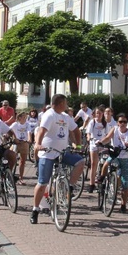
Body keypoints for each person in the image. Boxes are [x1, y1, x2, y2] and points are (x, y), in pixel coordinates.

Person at [30, 94, 84, 224]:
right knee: (42, 183)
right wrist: (38, 144)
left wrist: (78, 145)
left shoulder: (66, 117)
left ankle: (69, 186)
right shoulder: (49, 115)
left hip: (62, 152)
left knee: (80, 162)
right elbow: (41, 132)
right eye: (65, 103)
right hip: (48, 153)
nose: (66, 105)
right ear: (60, 104)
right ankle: (35, 209)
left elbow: (76, 131)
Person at [96, 112, 128, 213]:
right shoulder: (115, 129)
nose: (122, 124)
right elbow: (108, 138)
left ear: (127, 123)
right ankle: (102, 177)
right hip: (116, 154)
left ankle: (123, 205)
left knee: (125, 183)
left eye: (124, 122)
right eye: (120, 122)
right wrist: (101, 142)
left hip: (127, 158)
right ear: (117, 123)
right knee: (107, 162)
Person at [85, 108, 108, 193]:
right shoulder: (92, 122)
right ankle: (91, 184)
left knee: (103, 163)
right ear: (95, 114)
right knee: (93, 163)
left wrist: (104, 141)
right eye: (97, 113)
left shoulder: (105, 123)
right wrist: (89, 138)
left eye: (100, 113)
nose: (99, 115)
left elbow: (107, 134)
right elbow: (88, 132)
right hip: (93, 144)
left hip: (102, 144)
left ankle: (102, 180)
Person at [9, 111, 31, 185]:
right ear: (19, 118)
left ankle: (21, 178)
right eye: (24, 117)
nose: (25, 118)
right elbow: (9, 130)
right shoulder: (15, 124)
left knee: (22, 161)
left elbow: (29, 132)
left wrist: (29, 139)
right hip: (16, 143)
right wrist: (14, 137)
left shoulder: (27, 124)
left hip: (24, 142)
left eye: (26, 117)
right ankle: (9, 175)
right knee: (12, 159)